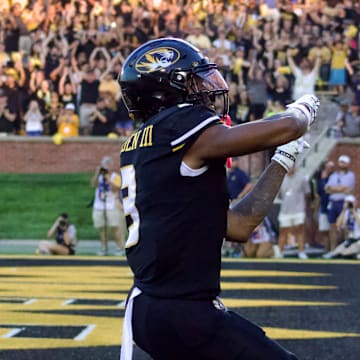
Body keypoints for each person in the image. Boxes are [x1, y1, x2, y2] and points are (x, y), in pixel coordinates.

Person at [118, 38, 320, 360]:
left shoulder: (146, 142)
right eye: (197, 79)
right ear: (170, 88)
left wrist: (281, 159)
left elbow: (238, 226)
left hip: (155, 309)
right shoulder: (178, 123)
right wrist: (300, 114)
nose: (209, 87)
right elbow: (287, 127)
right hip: (182, 312)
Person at [91, 156, 126, 256]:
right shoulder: (100, 176)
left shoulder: (115, 176)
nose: (106, 168)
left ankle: (119, 248)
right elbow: (93, 184)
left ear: (112, 166)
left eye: (108, 165)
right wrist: (97, 174)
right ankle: (104, 248)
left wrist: (108, 177)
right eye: (104, 165)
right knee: (102, 228)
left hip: (111, 205)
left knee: (116, 227)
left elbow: (116, 188)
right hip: (99, 205)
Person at [276, 166, 311, 259]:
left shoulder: (302, 178)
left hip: (298, 209)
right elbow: (279, 195)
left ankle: (301, 251)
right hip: (285, 209)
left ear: (295, 167)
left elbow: (307, 193)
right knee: (283, 231)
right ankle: (279, 252)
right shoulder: (281, 178)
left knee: (300, 230)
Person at [325, 155, 356, 250]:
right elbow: (327, 189)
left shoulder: (350, 175)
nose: (341, 164)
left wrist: (334, 189)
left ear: (347, 164)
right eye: (340, 162)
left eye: (343, 162)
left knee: (345, 227)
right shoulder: (334, 175)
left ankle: (346, 250)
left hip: (344, 203)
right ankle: (333, 250)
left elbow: (346, 188)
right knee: (332, 226)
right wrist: (339, 189)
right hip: (333, 202)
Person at [323, 195, 360, 259]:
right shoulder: (346, 213)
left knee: (344, 254)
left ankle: (354, 254)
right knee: (336, 253)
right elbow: (338, 224)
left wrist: (354, 211)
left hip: (358, 239)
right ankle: (354, 254)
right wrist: (344, 210)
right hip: (350, 240)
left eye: (351, 202)